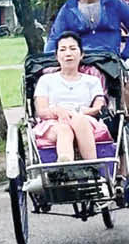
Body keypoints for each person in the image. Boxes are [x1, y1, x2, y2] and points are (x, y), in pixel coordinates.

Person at [34, 32, 107, 164]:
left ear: (81, 54)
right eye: (63, 49)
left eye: (73, 49)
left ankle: (92, 165)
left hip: (84, 119)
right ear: (57, 56)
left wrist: (81, 112)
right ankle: (66, 165)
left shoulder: (92, 80)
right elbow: (41, 110)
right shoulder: (46, 80)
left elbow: (98, 106)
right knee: (64, 129)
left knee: (79, 120)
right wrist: (57, 111)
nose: (68, 53)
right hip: (54, 122)